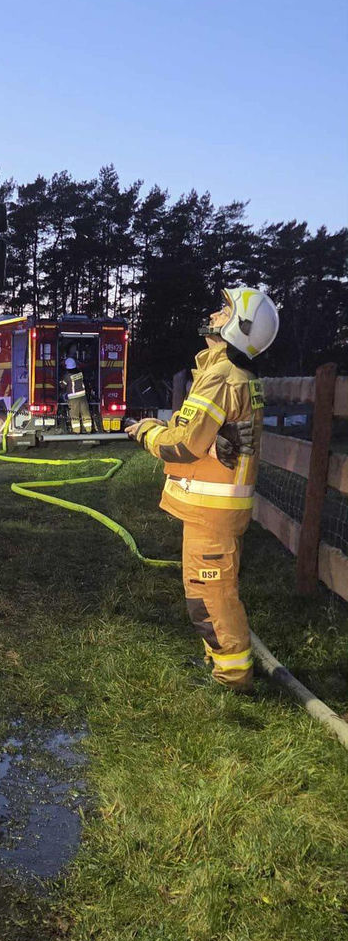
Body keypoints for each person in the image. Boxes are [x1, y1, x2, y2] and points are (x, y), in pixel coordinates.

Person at [126, 287, 279, 691]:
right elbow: (209, 437)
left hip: (212, 513)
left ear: (239, 327)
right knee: (209, 592)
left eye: (223, 310)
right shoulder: (232, 375)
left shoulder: (221, 378)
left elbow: (182, 444)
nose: (213, 314)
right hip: (216, 511)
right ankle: (223, 663)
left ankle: (232, 679)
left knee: (211, 598)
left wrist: (146, 430)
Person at [61, 356, 93, 434]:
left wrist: (60, 382)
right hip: (83, 397)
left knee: (74, 415)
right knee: (85, 413)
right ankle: (88, 429)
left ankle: (76, 431)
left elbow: (62, 386)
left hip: (73, 398)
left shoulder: (67, 376)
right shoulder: (80, 373)